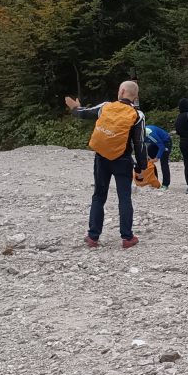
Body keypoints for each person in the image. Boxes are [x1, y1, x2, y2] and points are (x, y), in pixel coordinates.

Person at [66, 80, 147, 249]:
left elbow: (83, 113)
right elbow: (139, 144)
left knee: (99, 195)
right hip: (123, 160)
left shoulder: (105, 106)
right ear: (135, 96)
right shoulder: (138, 115)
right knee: (124, 198)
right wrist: (141, 168)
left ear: (121, 91)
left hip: (101, 158)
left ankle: (93, 237)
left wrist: (74, 108)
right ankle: (127, 238)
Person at [144, 124, 172, 189]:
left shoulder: (150, 135)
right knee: (148, 161)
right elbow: (142, 146)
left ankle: (165, 184)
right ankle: (153, 181)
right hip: (155, 143)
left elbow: (161, 147)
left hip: (165, 142)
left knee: (163, 162)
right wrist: (147, 155)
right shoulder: (138, 134)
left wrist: (156, 158)